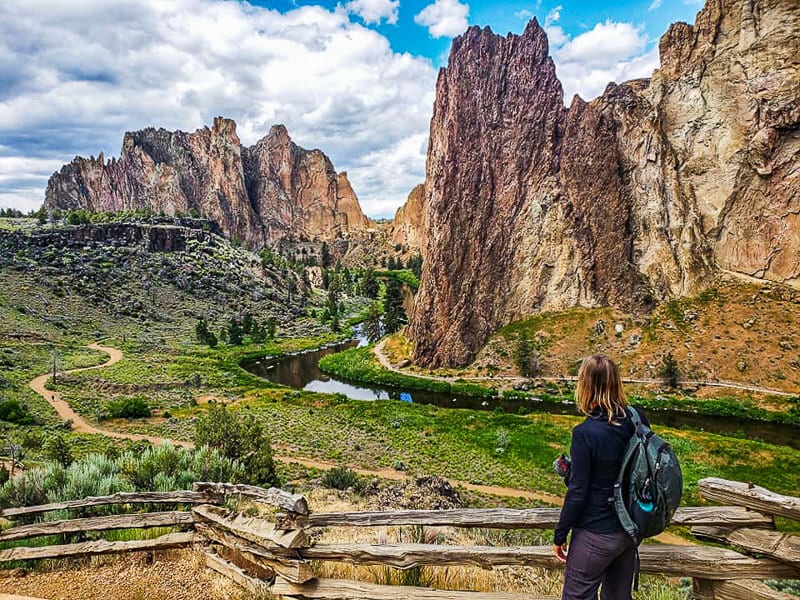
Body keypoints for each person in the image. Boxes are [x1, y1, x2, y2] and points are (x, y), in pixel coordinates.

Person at [553, 354, 649, 600]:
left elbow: (578, 492)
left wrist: (560, 535)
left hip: (596, 531)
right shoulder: (636, 420)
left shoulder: (585, 433)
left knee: (576, 595)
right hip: (628, 531)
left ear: (586, 386)